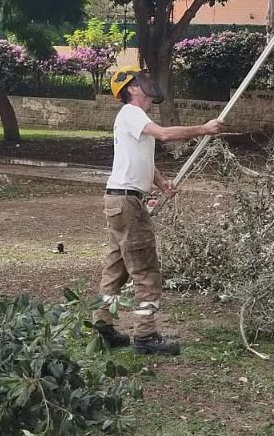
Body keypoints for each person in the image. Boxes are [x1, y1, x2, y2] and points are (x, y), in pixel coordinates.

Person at [94, 66, 223, 357]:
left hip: (120, 200)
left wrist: (162, 183)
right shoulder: (131, 113)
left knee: (115, 269)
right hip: (127, 203)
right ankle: (146, 335)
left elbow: (140, 159)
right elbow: (164, 134)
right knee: (146, 272)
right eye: (142, 80)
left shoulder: (134, 119)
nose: (149, 83)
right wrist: (204, 128)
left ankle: (103, 327)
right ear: (131, 89)